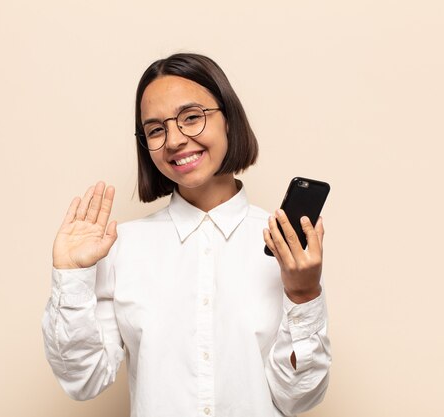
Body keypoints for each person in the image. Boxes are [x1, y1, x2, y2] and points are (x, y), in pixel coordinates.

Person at [42, 53, 331, 417]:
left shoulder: (282, 246)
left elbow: (299, 397)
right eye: (156, 129)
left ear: (229, 119)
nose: (175, 140)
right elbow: (83, 380)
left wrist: (303, 294)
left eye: (191, 118)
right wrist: (71, 277)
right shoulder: (122, 248)